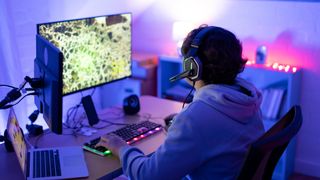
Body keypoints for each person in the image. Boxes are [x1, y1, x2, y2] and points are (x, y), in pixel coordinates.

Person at [96, 25, 265, 180]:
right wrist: (183, 129)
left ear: (192, 68)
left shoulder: (196, 118)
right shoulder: (248, 99)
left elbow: (148, 176)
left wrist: (121, 147)